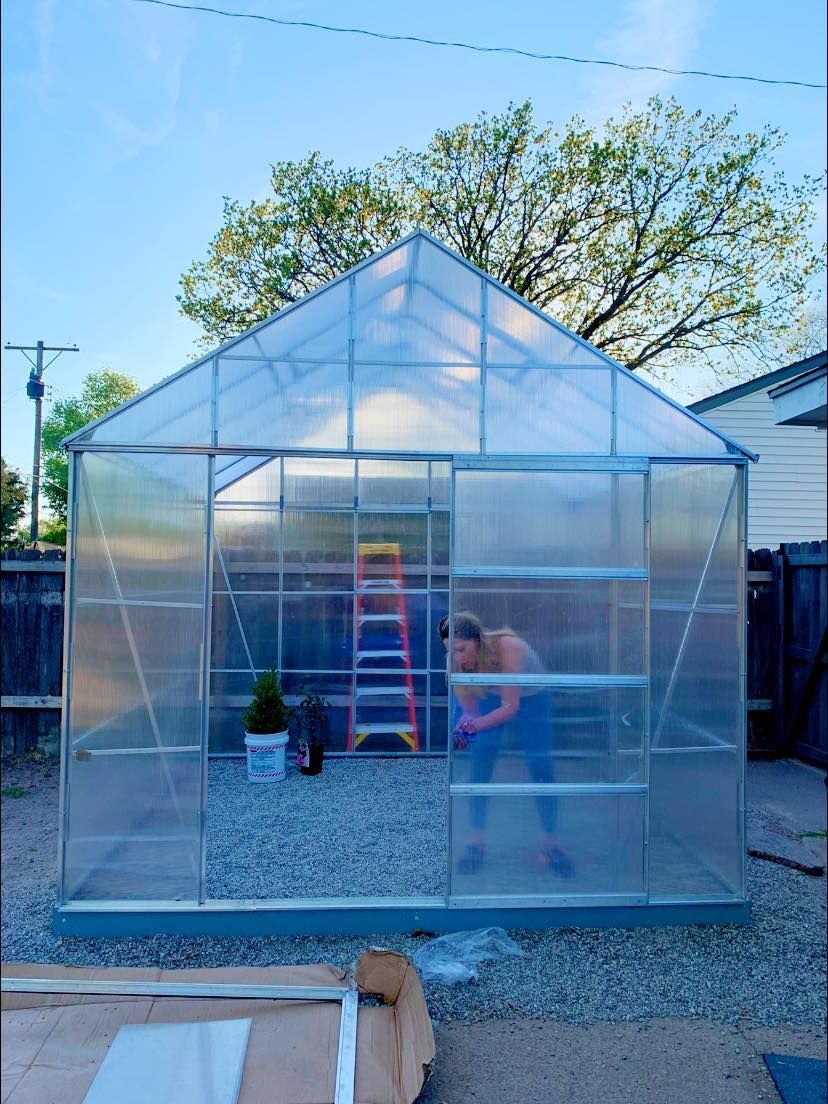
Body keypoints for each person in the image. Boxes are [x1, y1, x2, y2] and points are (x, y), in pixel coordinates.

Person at [439, 612, 573, 878]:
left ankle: (551, 844)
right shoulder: (456, 662)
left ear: (477, 640)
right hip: (488, 695)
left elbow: (510, 707)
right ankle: (475, 843)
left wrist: (472, 728)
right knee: (480, 763)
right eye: (450, 651)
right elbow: (468, 714)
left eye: (461, 649)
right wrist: (464, 735)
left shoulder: (508, 646)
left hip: (531, 697)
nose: (456, 657)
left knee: (540, 765)